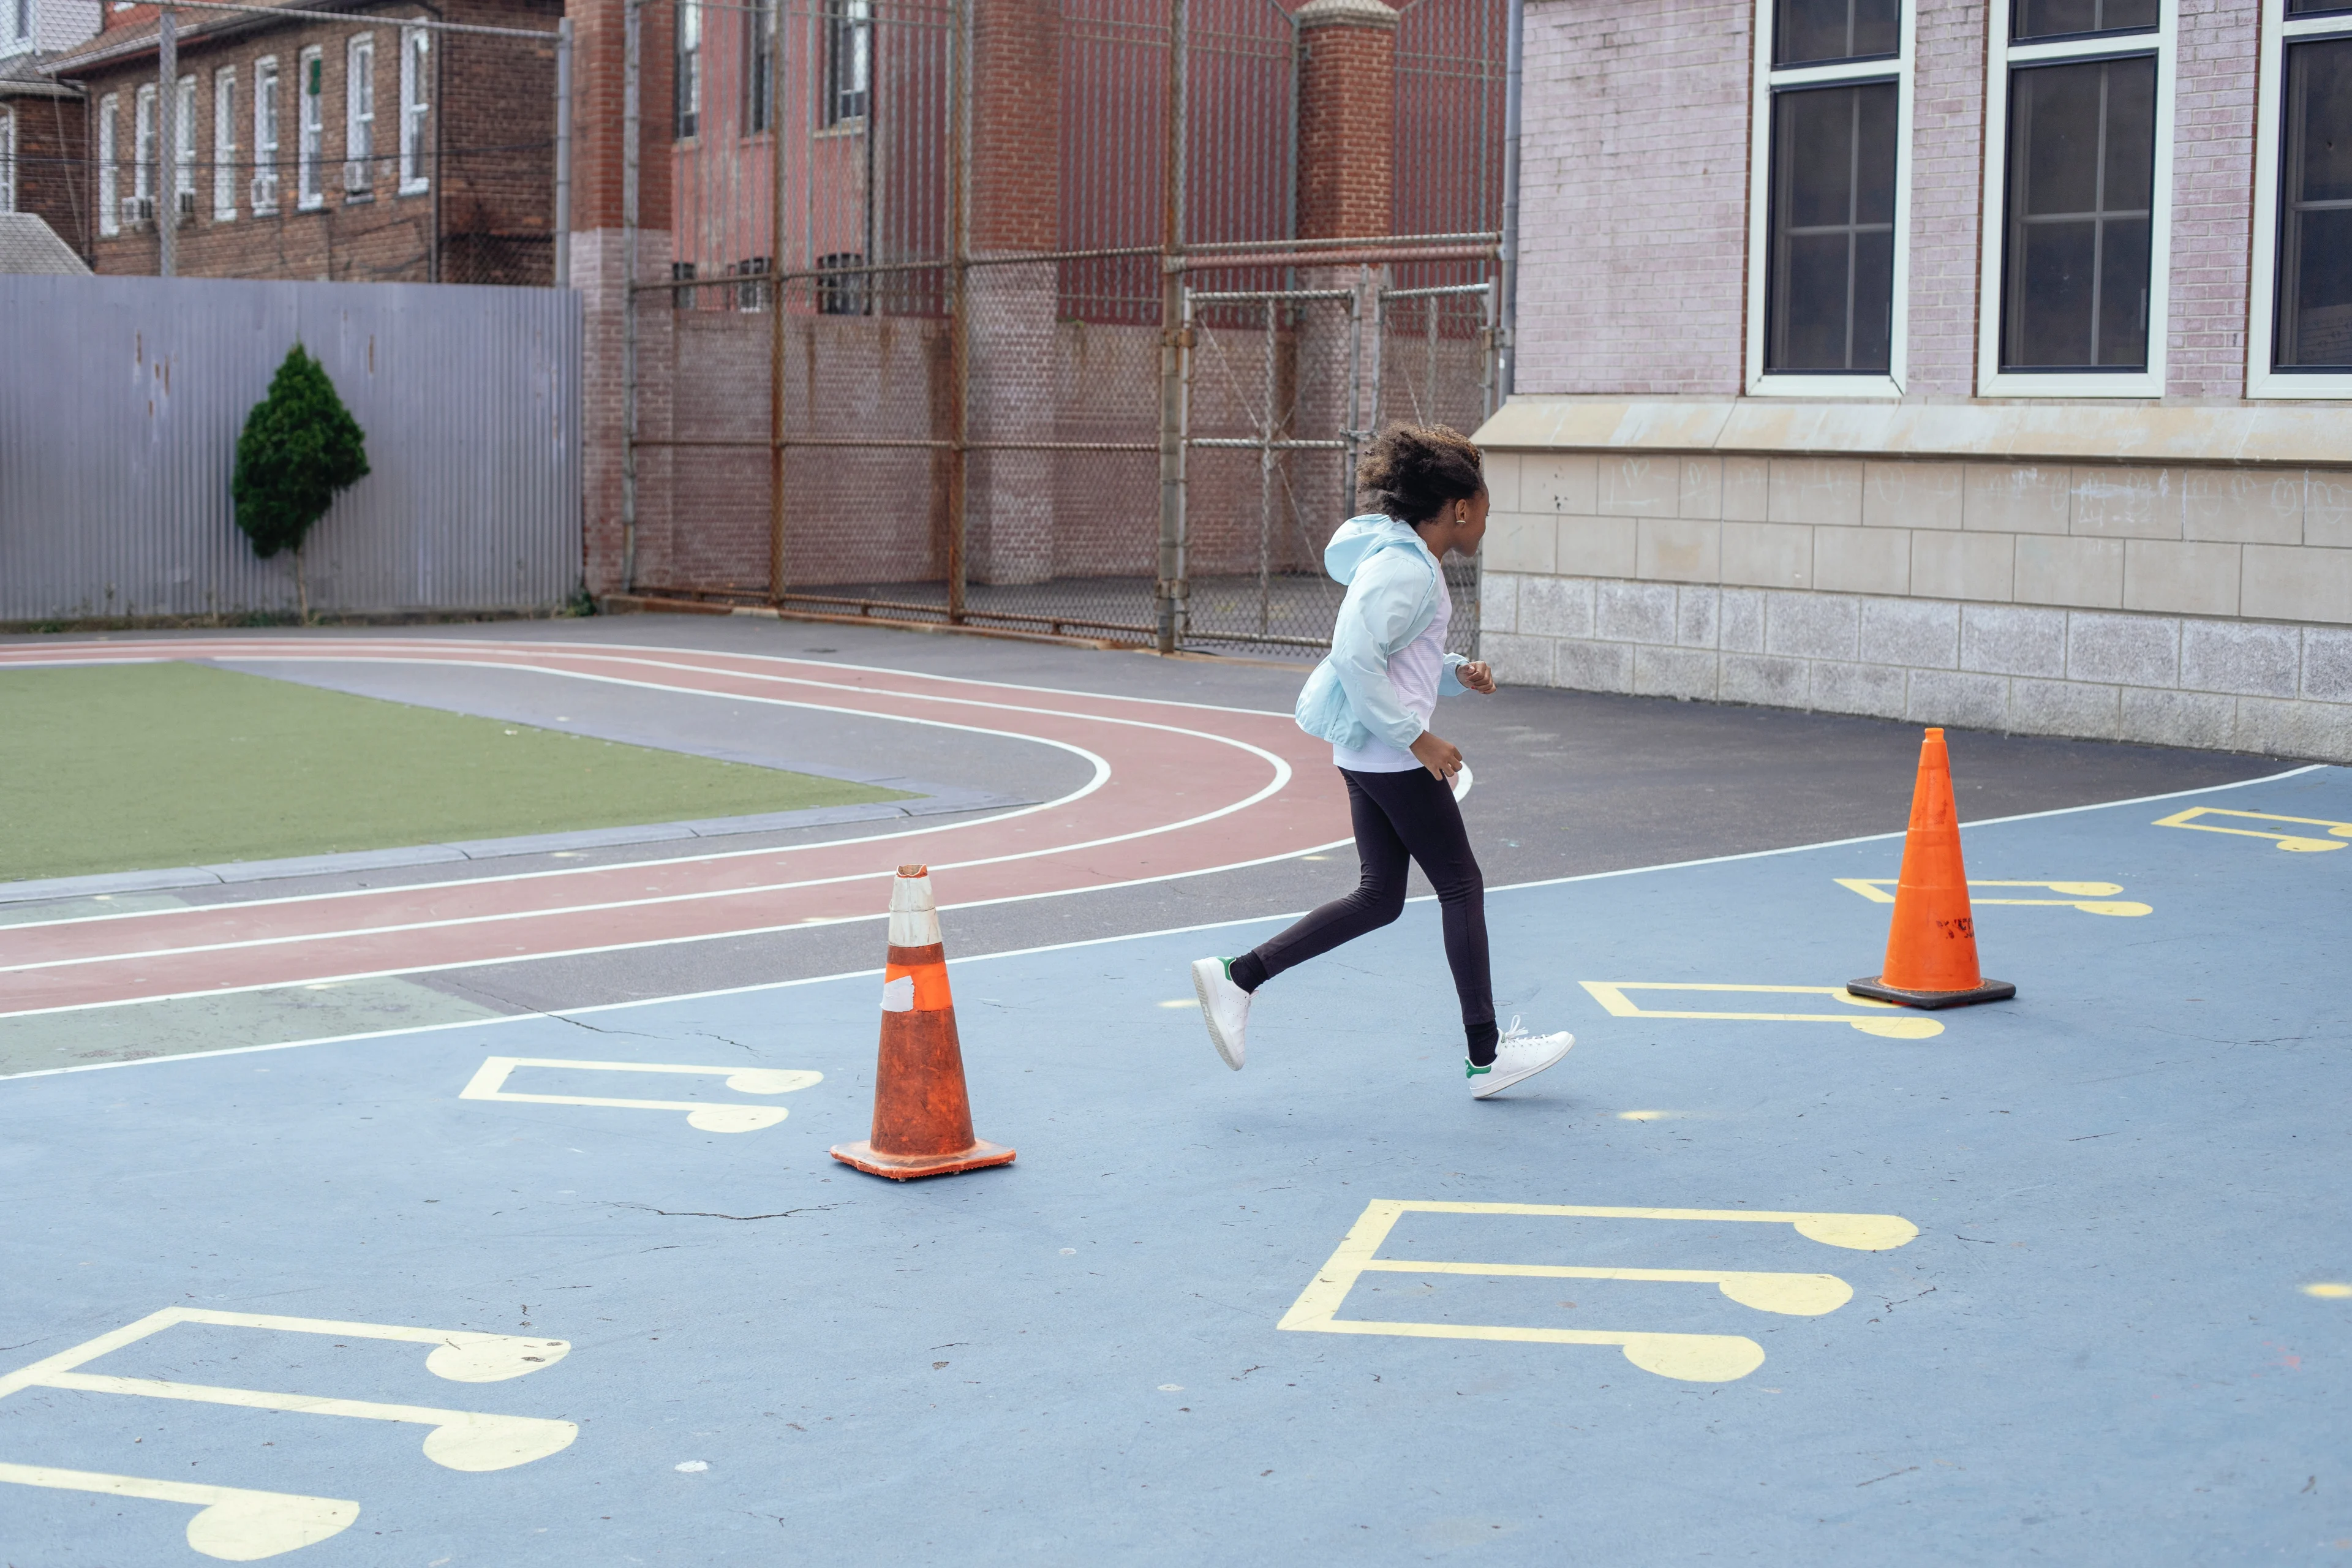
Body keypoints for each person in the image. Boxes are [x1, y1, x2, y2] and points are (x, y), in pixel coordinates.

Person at [1189, 424, 1575, 1098]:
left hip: (1370, 750)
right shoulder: (1404, 568)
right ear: (1460, 509)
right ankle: (1487, 1054)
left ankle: (1239, 976)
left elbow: (1399, 657)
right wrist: (1416, 738)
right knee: (1461, 886)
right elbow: (1354, 657)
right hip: (1389, 754)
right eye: (1486, 506)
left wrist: (1456, 673)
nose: (1488, 518)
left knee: (1380, 898)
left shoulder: (1407, 559)